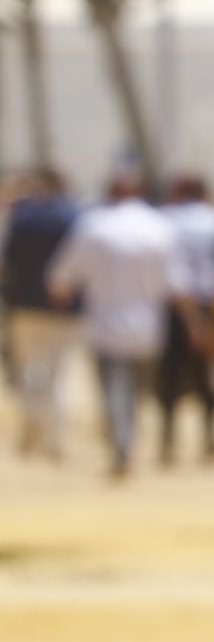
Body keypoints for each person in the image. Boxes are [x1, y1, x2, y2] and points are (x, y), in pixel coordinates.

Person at [46, 170, 180, 478]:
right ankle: (126, 440)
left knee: (114, 389)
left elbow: (61, 278)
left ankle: (122, 444)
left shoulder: (94, 227)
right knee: (135, 390)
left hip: (105, 325)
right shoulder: (158, 227)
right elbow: (175, 283)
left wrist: (63, 296)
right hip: (150, 328)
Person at [3, 167, 82, 460]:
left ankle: (33, 421)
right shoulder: (75, 217)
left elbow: (7, 260)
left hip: (24, 304)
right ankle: (56, 437)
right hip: (65, 307)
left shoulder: (22, 218)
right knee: (59, 372)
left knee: (31, 368)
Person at [158, 174, 214, 465]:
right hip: (213, 304)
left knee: (170, 376)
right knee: (207, 375)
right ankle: (211, 437)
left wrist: (189, 317)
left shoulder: (166, 219)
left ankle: (168, 440)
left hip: (176, 306)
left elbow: (171, 270)